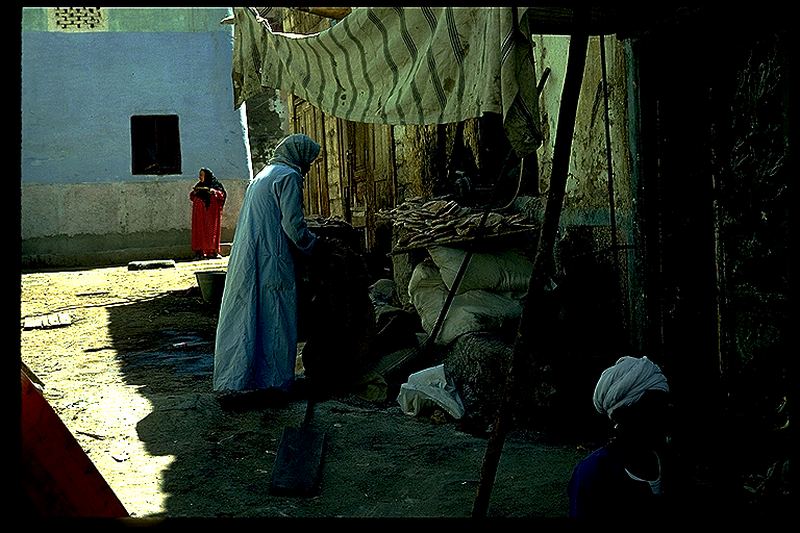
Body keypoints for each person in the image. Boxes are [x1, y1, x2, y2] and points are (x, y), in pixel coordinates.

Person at [213, 134, 324, 409]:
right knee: (275, 317)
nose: (308, 168)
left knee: (247, 314)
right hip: (271, 256)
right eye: (308, 161)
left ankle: (238, 379)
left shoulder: (264, 174)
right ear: (299, 156)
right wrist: (316, 246)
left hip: (249, 255)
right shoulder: (288, 176)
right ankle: (275, 383)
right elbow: (294, 227)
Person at [568, 355, 674, 521]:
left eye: (665, 406)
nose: (665, 416)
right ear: (623, 415)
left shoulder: (671, 462)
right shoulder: (592, 474)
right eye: (654, 408)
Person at [189, 167, 227, 259]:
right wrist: (195, 192)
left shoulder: (215, 185)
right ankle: (200, 252)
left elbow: (222, 195)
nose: (200, 177)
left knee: (212, 232)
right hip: (199, 215)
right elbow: (192, 196)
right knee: (199, 232)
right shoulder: (199, 185)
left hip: (211, 215)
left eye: (202, 175)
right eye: (200, 175)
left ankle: (213, 252)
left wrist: (214, 192)